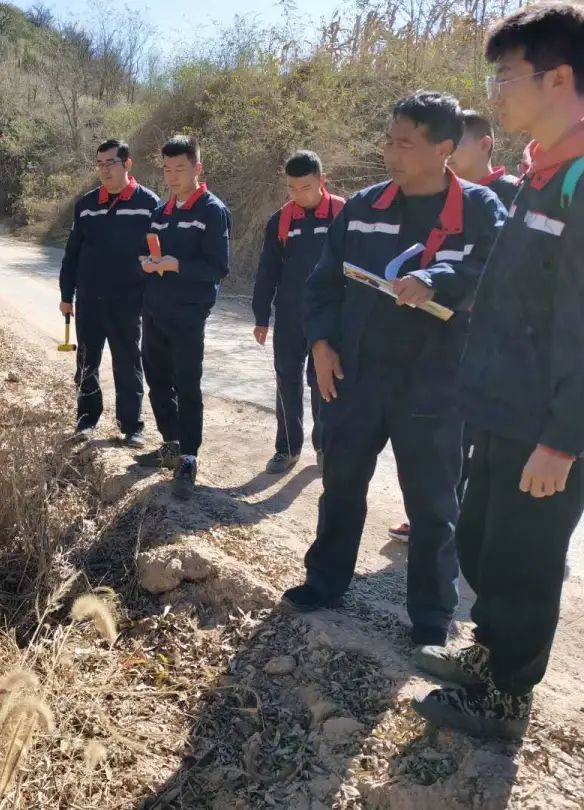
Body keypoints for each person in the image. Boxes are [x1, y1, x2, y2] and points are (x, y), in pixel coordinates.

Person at [280, 92, 506, 652]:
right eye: (389, 140)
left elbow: (493, 271)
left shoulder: (479, 210)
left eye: (405, 143)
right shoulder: (363, 206)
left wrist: (438, 278)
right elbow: (323, 284)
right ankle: (325, 582)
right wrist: (322, 345)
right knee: (341, 487)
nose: (392, 152)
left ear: (444, 149)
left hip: (434, 383)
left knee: (432, 505)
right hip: (355, 375)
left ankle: (430, 619)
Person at [413, 1, 584, 740]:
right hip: (502, 407)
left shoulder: (580, 179)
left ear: (560, 78)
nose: (496, 92)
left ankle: (508, 696)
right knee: (484, 541)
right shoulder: (539, 172)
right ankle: (488, 656)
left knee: (524, 558)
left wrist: (564, 438)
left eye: (507, 76)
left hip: (547, 422)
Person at [389, 111, 521, 543]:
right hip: (441, 335)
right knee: (443, 436)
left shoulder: (510, 196)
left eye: (457, 143)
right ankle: (437, 515)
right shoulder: (434, 195)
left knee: (485, 438)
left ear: (484, 145)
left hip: (493, 338)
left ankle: (502, 532)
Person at [140, 135, 231, 499]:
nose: (173, 176)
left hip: (189, 313)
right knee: (157, 379)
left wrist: (177, 264)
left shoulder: (212, 210)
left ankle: (190, 455)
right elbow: (147, 249)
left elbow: (218, 267)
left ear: (197, 168)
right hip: (155, 308)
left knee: (186, 383)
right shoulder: (162, 211)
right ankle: (171, 443)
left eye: (180, 168)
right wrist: (147, 263)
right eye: (167, 169)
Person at [59, 138, 160, 446]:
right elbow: (72, 252)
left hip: (128, 301)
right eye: (100, 164)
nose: (104, 170)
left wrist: (152, 299)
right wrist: (67, 295)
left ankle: (131, 426)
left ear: (127, 164)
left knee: (128, 362)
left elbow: (156, 255)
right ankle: (86, 420)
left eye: (111, 163)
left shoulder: (148, 204)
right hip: (90, 299)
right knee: (86, 362)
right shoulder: (86, 205)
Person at [252, 151, 344, 475]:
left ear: (322, 181)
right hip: (290, 316)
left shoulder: (342, 214)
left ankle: (325, 447)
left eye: (305, 187)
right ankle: (287, 448)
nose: (298, 194)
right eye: (292, 188)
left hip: (331, 319)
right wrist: (261, 315)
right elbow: (267, 271)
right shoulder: (281, 220)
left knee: (324, 384)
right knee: (286, 380)